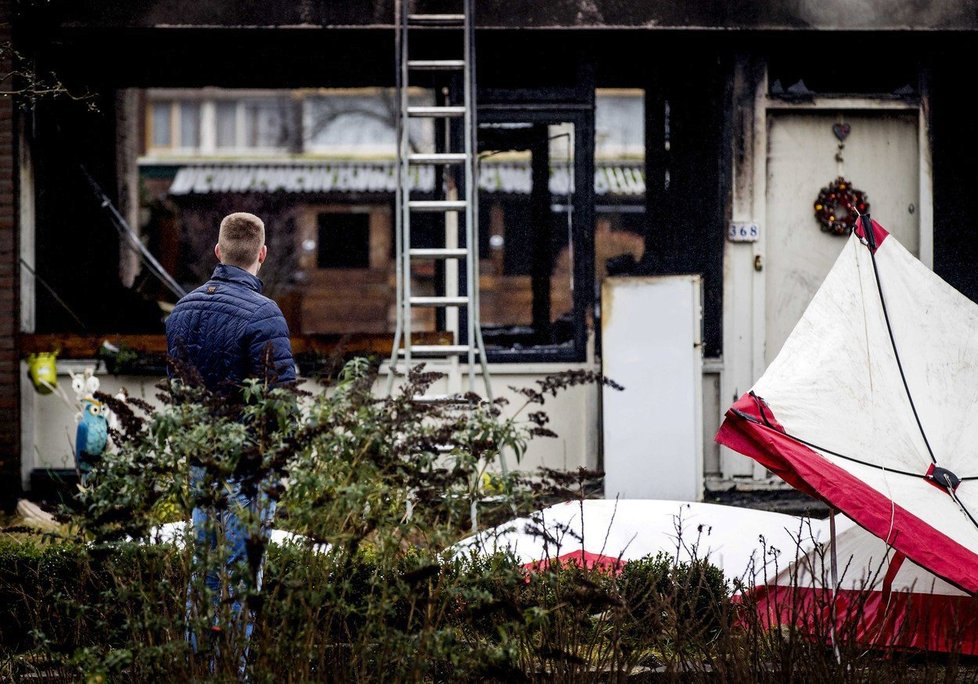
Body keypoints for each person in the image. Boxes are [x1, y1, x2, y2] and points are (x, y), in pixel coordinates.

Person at [165, 211, 296, 670]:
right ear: (261, 254)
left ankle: (197, 666)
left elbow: (179, 394)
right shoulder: (265, 314)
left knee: (204, 569)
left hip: (203, 462)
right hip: (251, 468)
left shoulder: (181, 312)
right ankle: (232, 670)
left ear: (218, 252)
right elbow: (283, 404)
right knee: (242, 576)